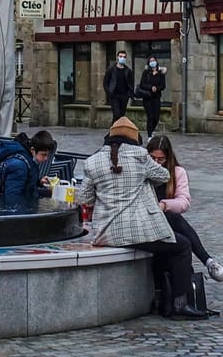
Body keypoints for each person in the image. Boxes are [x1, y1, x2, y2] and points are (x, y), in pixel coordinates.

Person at [76, 118, 207, 320]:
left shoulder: (93, 161)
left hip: (105, 234)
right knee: (182, 246)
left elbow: (85, 198)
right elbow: (163, 176)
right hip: (136, 231)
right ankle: (180, 304)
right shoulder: (139, 155)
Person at [146, 135, 223, 282]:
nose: (156, 163)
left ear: (168, 158)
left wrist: (164, 205)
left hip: (167, 223)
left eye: (161, 159)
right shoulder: (142, 171)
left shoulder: (177, 172)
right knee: (176, 224)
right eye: (152, 158)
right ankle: (208, 261)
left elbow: (184, 201)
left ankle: (206, 266)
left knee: (173, 220)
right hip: (146, 221)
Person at [0, 130, 50, 209]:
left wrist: (39, 182)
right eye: (43, 155)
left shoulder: (28, 158)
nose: (46, 158)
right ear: (33, 150)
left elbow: (25, 184)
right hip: (13, 211)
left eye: (47, 155)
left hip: (23, 203)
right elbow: (12, 199)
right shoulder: (19, 167)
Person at [135, 57, 167, 135]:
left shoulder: (160, 74)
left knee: (156, 117)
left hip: (156, 97)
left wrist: (157, 88)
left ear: (156, 61)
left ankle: (151, 130)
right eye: (150, 61)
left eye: (153, 61)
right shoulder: (146, 73)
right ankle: (149, 135)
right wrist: (150, 87)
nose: (152, 62)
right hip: (147, 97)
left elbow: (163, 85)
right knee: (150, 116)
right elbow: (142, 84)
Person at [103, 51, 135, 123]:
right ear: (117, 57)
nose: (122, 58)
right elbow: (105, 83)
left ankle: (116, 131)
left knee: (121, 116)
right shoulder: (111, 69)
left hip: (124, 96)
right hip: (114, 96)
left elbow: (131, 83)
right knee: (116, 114)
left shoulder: (128, 71)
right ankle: (113, 131)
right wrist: (109, 92)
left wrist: (129, 94)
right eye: (120, 56)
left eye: (124, 57)